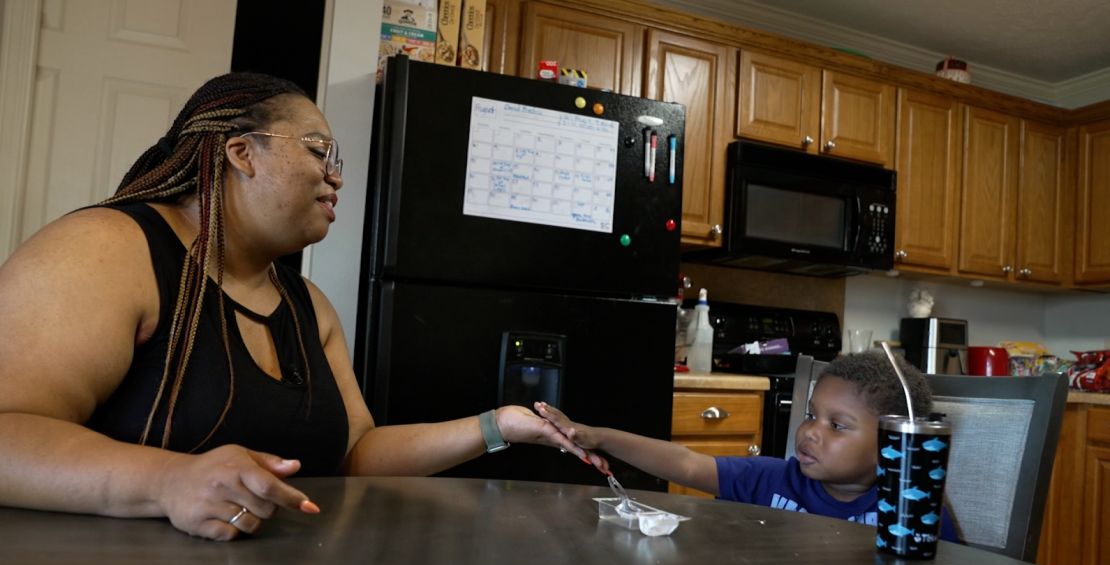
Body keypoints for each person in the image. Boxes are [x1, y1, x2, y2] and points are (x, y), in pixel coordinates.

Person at [0, 72, 597, 541]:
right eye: (319, 152)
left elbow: (354, 455)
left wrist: (498, 426)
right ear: (241, 152)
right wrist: (167, 481)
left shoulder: (308, 304)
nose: (336, 179)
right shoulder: (106, 248)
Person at [537, 351, 958, 541]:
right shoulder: (772, 481)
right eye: (811, 414)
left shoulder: (914, 510)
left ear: (894, 444)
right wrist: (599, 436)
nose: (810, 431)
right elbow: (684, 464)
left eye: (838, 426)